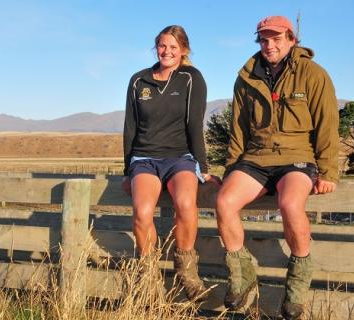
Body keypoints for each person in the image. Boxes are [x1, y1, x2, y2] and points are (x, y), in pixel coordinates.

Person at [215, 16, 339, 318]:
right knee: (224, 201)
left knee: (290, 203)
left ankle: (296, 285)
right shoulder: (246, 77)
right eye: (263, 39)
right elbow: (239, 129)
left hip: (297, 157)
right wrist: (231, 170)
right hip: (256, 158)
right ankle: (242, 277)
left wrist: (328, 172)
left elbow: (327, 124)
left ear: (291, 39)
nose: (269, 45)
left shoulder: (313, 74)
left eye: (276, 39)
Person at [122, 25, 218, 302]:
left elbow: (194, 125)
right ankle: (147, 274)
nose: (167, 51)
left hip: (179, 157)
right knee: (142, 212)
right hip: (145, 158)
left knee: (187, 205)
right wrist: (127, 168)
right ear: (156, 48)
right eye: (163, 46)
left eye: (173, 47)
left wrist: (203, 166)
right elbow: (130, 126)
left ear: (183, 51)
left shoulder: (191, 78)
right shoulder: (139, 81)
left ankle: (186, 271)